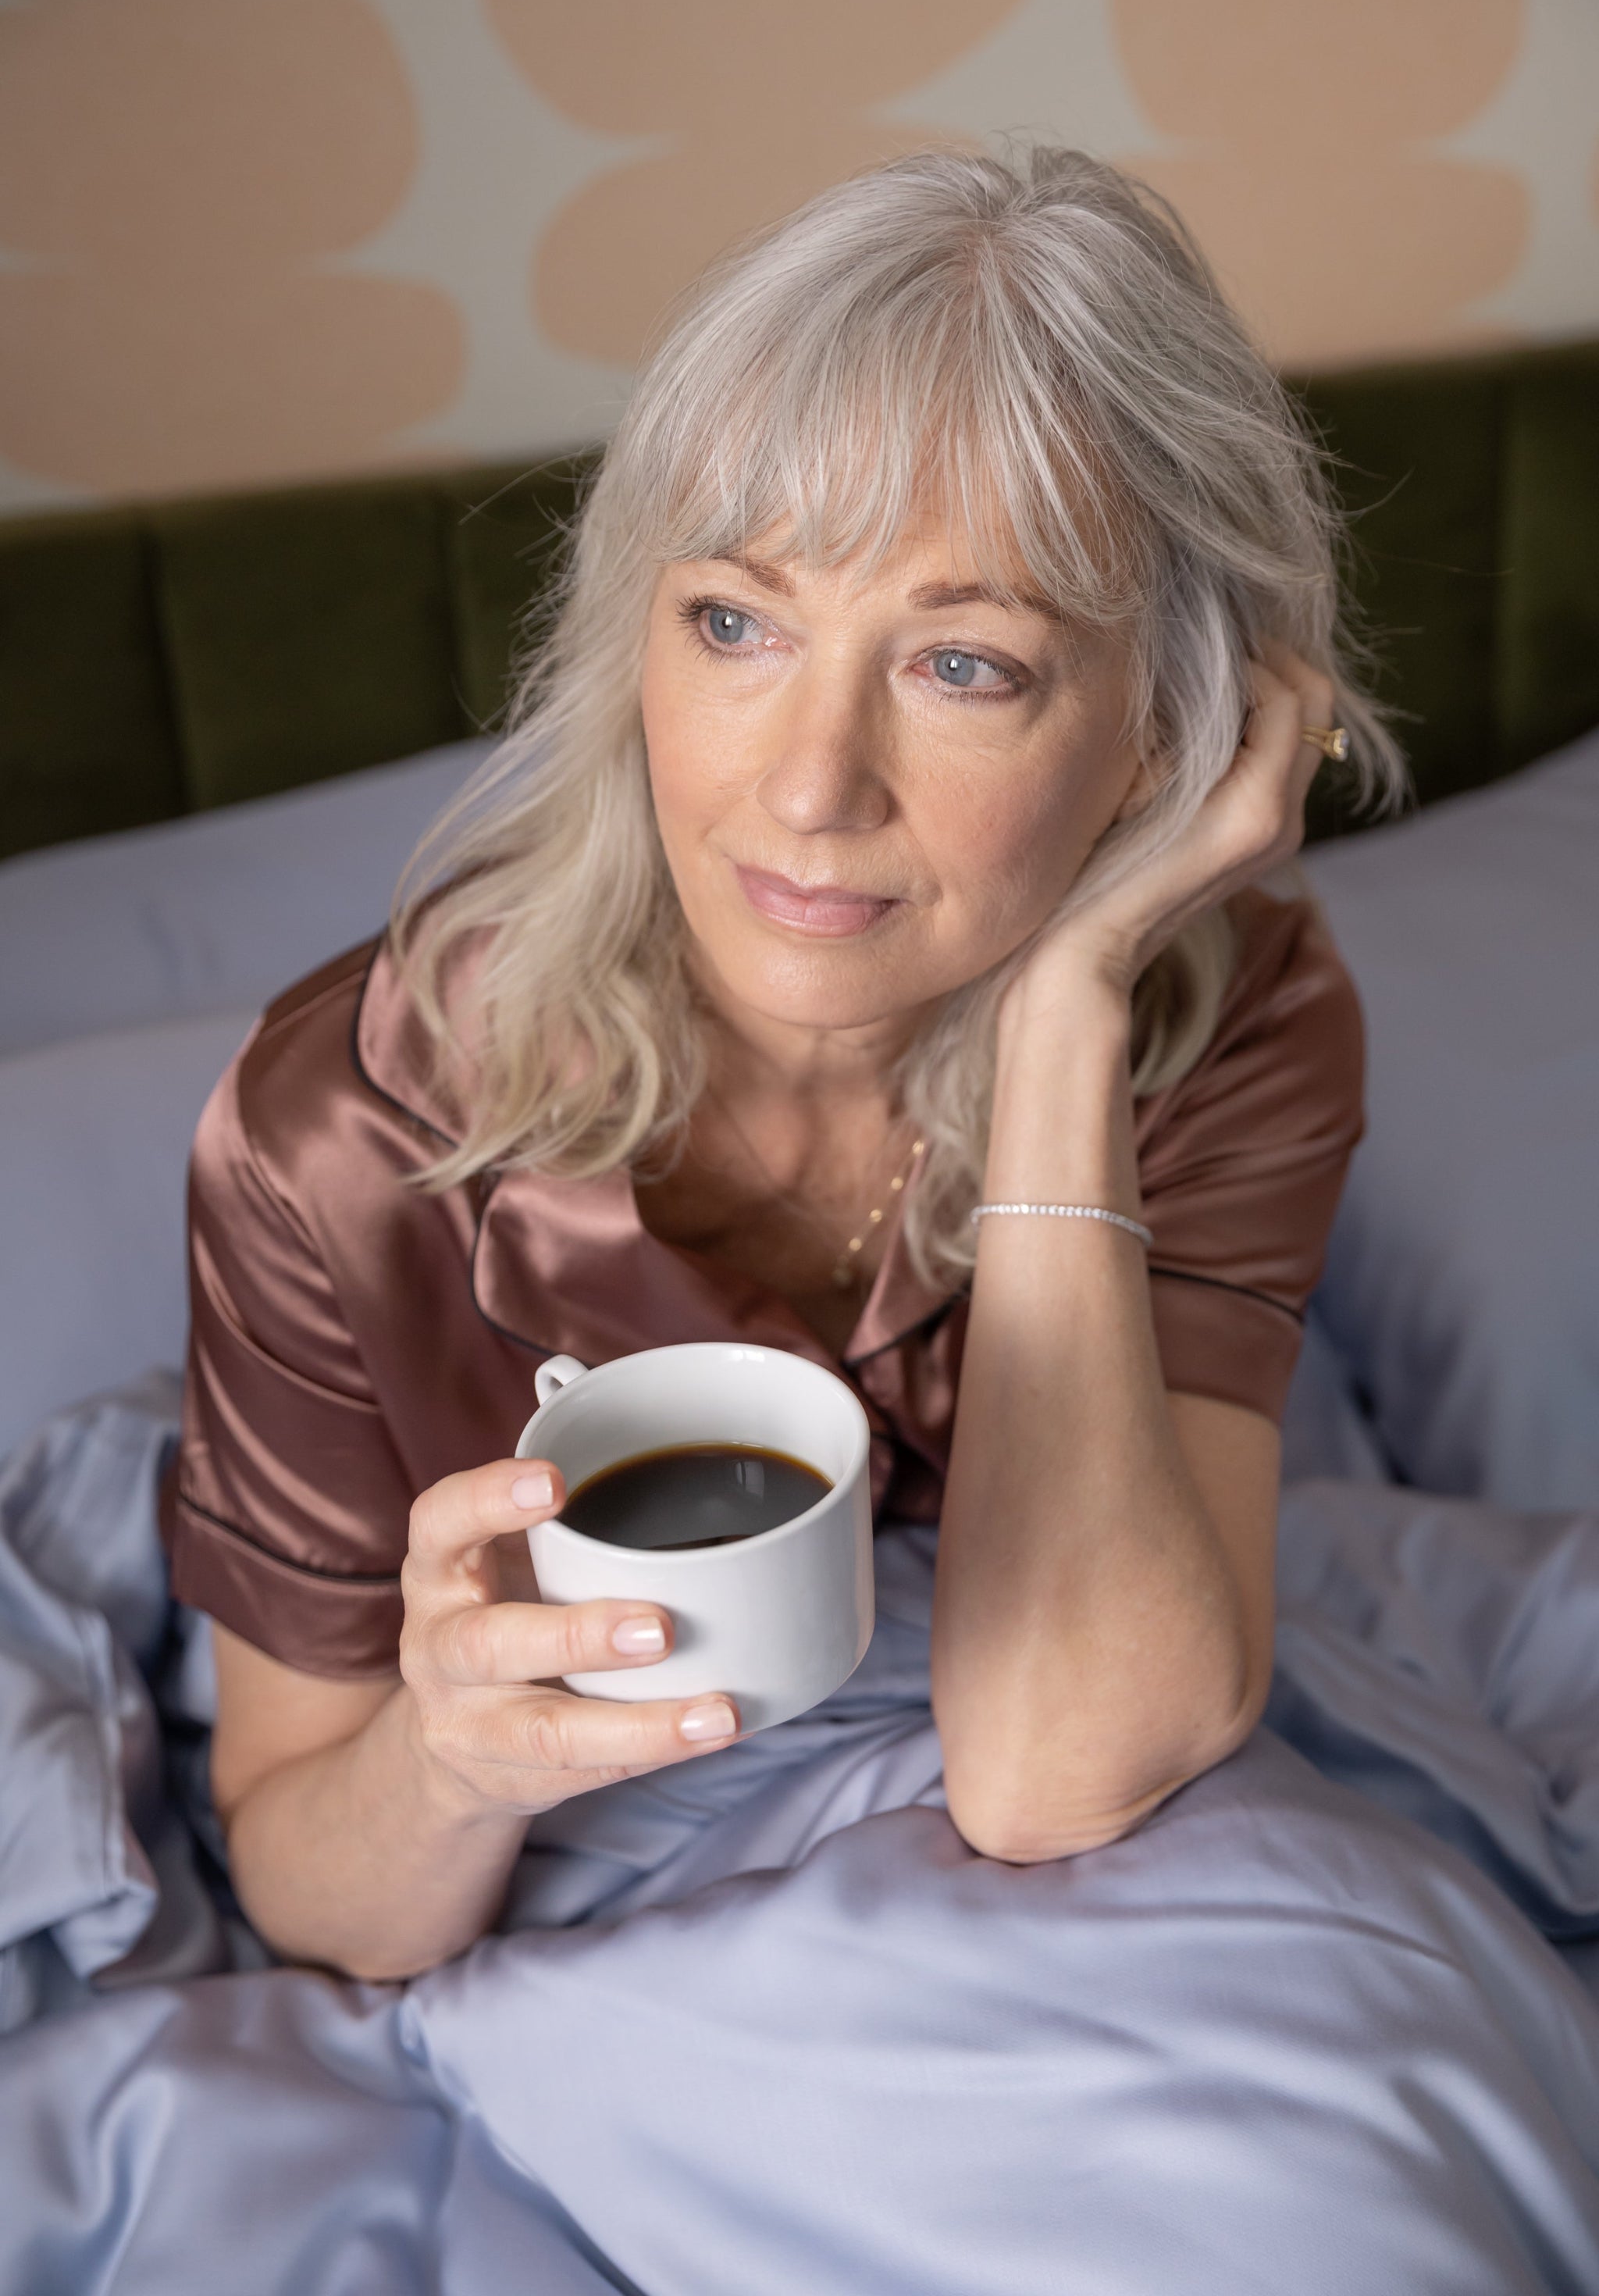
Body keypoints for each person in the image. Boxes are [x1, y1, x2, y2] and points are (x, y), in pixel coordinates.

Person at [165, 147, 1400, 1981]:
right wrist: (442, 1760)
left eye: (963, 664)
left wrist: (1068, 1009)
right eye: (735, 623)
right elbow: (311, 1888)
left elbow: (1056, 1773)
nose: (810, 789)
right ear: (633, 639)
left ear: (1154, 736)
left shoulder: (1234, 1016)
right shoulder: (334, 1137)